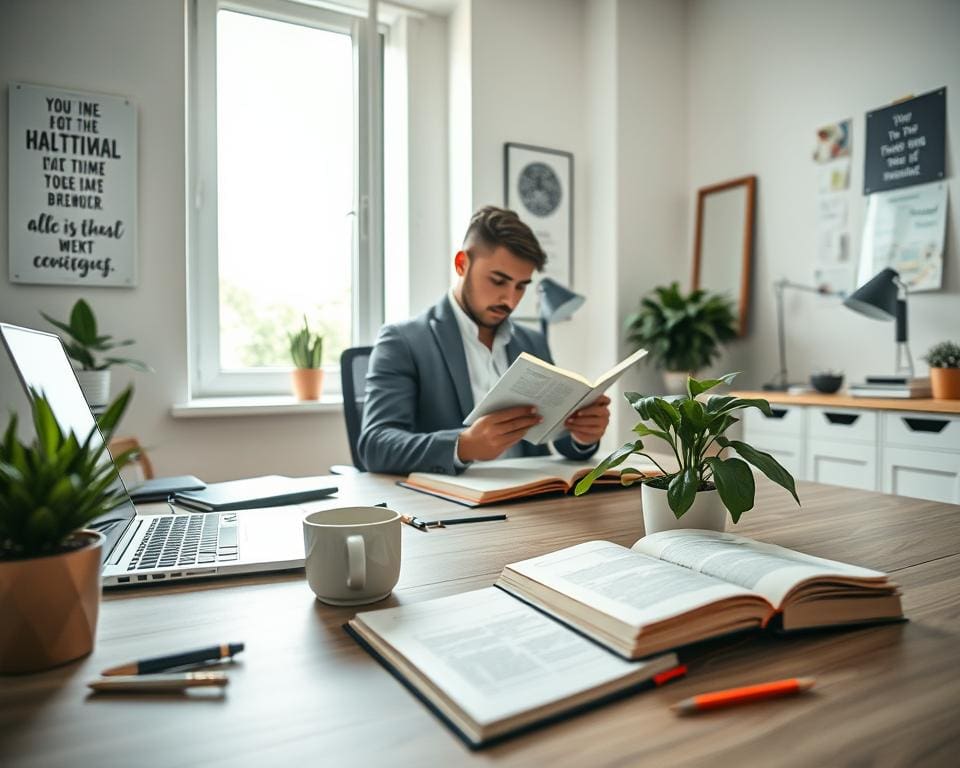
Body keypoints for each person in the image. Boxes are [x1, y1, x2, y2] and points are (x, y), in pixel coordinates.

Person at [358, 206, 611, 475]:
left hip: (531, 492)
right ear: (461, 264)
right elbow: (375, 445)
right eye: (498, 281)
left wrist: (583, 436)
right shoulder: (403, 341)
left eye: (521, 286)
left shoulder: (533, 342)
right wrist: (463, 446)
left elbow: (556, 438)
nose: (510, 300)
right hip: (452, 497)